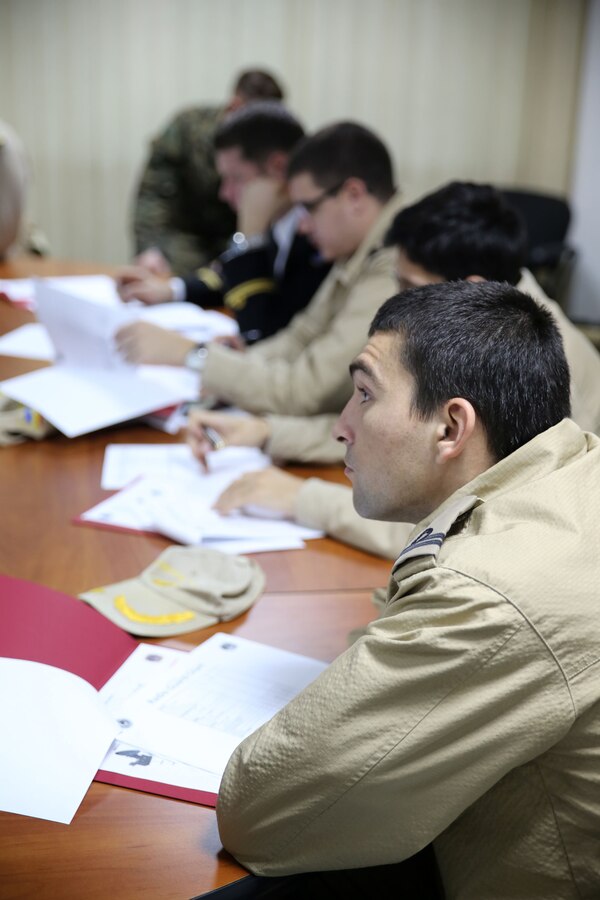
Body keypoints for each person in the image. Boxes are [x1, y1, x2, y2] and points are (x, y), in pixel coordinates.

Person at [216, 280, 600, 899]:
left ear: (452, 427)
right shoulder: (574, 468)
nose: (342, 425)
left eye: (365, 395)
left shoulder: (492, 590)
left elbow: (257, 816)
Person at [186, 181, 600, 560]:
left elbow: (464, 538)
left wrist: (302, 498)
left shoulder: (539, 364)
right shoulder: (486, 321)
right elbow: (396, 433)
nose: (399, 301)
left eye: (410, 287)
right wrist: (269, 432)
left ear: (470, 286)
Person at [117, 122, 402, 419]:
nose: (303, 224)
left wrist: (193, 356)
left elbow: (307, 390)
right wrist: (233, 366)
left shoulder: (395, 259)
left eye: (308, 208)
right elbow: (301, 336)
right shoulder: (359, 243)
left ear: (354, 195)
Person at [117, 102, 329, 344]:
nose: (224, 193)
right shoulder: (280, 221)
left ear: (278, 168)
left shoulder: (319, 239)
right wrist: (172, 290)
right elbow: (224, 276)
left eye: (235, 178)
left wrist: (252, 238)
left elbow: (260, 335)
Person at [132, 68, 284, 277]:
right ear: (234, 107)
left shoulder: (274, 147)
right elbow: (154, 195)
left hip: (238, 237)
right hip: (187, 238)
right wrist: (150, 249)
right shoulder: (187, 129)